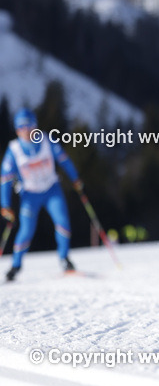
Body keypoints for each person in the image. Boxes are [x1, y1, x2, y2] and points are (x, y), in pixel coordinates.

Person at [1, 108, 81, 280]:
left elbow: (64, 160)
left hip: (52, 190)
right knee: (26, 230)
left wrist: (75, 179)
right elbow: (5, 179)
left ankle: (64, 258)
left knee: (62, 222)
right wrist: (5, 204)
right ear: (17, 130)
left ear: (35, 126)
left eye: (29, 126)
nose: (26, 130)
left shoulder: (47, 140)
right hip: (30, 195)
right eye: (21, 127)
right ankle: (16, 265)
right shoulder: (14, 150)